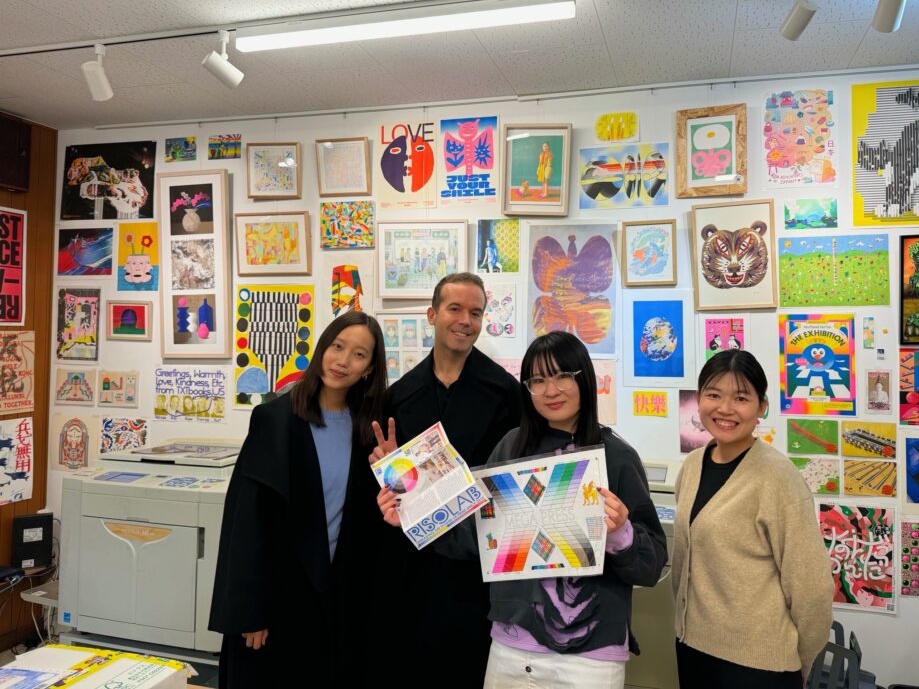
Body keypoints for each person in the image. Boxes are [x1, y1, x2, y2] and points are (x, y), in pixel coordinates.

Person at [378, 330, 667, 688]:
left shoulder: (617, 457)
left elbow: (651, 564)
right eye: (538, 380)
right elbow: (473, 536)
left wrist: (621, 532)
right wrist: (408, 512)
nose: (550, 390)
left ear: (585, 379)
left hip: (590, 657)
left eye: (563, 376)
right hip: (512, 647)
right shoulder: (510, 448)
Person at [209, 311, 388, 687]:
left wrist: (393, 471)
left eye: (358, 354)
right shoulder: (274, 419)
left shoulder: (369, 430)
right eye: (337, 347)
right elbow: (247, 522)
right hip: (277, 600)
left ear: (370, 368)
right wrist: (250, 612)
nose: (342, 361)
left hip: (335, 602)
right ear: (323, 348)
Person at [370, 272, 522, 686]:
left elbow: (515, 479)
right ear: (432, 314)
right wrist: (388, 473)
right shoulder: (398, 396)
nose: (465, 320)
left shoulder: (508, 394)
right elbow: (392, 491)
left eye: (475, 312)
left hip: (477, 565)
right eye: (455, 309)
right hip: (411, 565)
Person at [671, 349, 832, 688]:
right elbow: (685, 563)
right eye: (713, 395)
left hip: (759, 665)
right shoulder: (692, 466)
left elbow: (811, 589)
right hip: (693, 650)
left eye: (741, 398)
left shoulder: (778, 478)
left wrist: (802, 660)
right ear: (698, 400)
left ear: (761, 407)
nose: (725, 409)